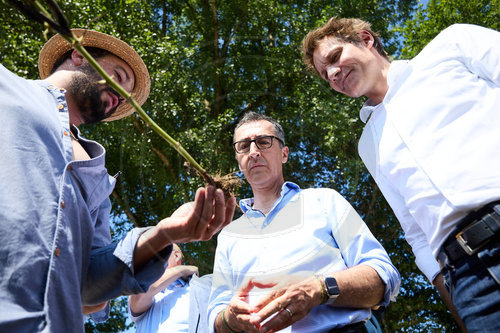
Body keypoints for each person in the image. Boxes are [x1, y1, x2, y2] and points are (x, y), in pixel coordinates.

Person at [0, 29, 236, 332]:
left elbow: (88, 290)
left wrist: (163, 234)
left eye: (126, 96)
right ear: (78, 55)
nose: (120, 96)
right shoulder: (7, 87)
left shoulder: (98, 174)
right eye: (120, 75)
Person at [301, 18, 500, 331]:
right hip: (467, 281)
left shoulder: (452, 47)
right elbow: (415, 232)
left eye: (335, 57)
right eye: (326, 75)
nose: (333, 74)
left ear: (366, 39)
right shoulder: (369, 144)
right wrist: (455, 299)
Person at [208, 112, 400, 333]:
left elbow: (383, 276)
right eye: (243, 146)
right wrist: (229, 319)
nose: (253, 152)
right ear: (238, 160)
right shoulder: (229, 236)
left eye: (263, 142)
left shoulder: (324, 200)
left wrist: (319, 289)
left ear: (284, 154)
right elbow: (216, 313)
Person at [129, 244, 213, 332]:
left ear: (176, 256)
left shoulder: (201, 288)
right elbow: (140, 295)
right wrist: (181, 270)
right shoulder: (144, 287)